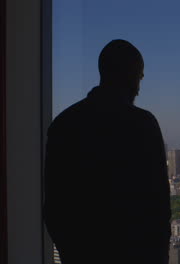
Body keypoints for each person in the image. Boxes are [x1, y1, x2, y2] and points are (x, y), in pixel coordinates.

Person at [44, 39, 171, 264]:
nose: (139, 87)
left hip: (81, 253)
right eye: (139, 76)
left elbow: (54, 205)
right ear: (130, 74)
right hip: (134, 254)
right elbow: (158, 207)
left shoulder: (64, 123)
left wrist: (70, 252)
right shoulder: (142, 124)